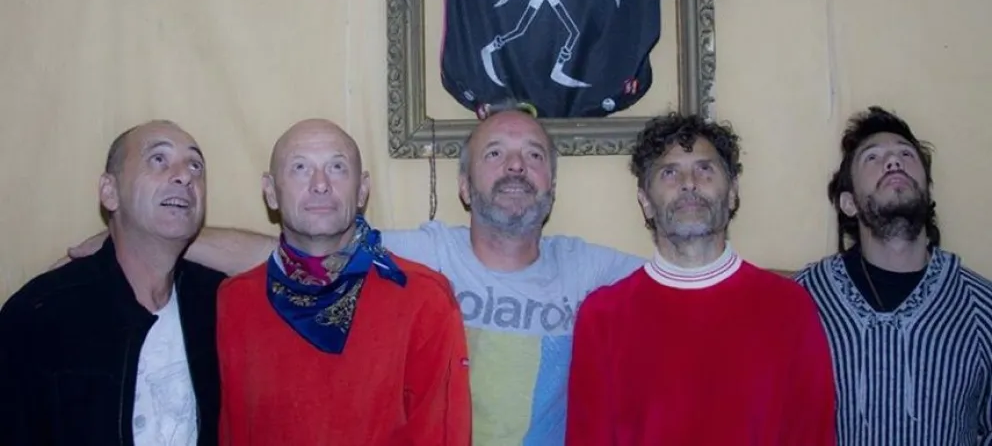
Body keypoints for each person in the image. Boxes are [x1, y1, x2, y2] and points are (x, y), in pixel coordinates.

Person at [63, 101, 646, 445]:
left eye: (533, 155)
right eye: (494, 153)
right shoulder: (414, 259)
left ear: (552, 184)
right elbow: (302, 254)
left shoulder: (589, 270)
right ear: (465, 187)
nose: (515, 167)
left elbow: (685, 287)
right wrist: (143, 236)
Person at [565, 113, 837, 445]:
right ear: (646, 202)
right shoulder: (603, 316)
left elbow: (812, 435)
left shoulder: (789, 308)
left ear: (733, 192)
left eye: (705, 169)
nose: (689, 183)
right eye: (669, 172)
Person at [215, 119, 471, 444]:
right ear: (270, 191)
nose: (320, 184)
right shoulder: (236, 302)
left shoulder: (425, 301)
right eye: (300, 168)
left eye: (337, 167)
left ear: (362, 190)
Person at [0, 120, 226, 445]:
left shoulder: (220, 305)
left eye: (195, 166)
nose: (184, 176)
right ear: (110, 192)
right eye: (158, 159)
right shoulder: (40, 315)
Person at [794, 106, 992, 445]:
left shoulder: (981, 308)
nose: (893, 162)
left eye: (905, 154)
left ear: (927, 190)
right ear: (849, 203)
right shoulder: (801, 303)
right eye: (872, 157)